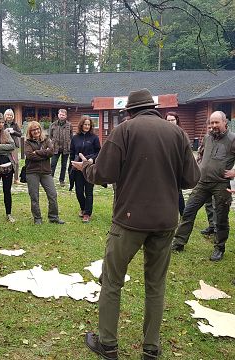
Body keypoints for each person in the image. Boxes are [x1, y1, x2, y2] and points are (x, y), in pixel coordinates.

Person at [72, 89, 199, 360]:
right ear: (154, 108)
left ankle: (107, 344)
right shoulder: (177, 134)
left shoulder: (123, 131)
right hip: (165, 222)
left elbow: (103, 173)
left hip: (128, 221)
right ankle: (151, 348)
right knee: (156, 285)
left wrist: (86, 168)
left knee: (112, 281)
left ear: (128, 111)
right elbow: (191, 179)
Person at [172, 111, 235, 261]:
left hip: (221, 184)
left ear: (225, 122)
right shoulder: (207, 137)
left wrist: (234, 172)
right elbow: (200, 155)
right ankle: (179, 242)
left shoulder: (232, 139)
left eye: (216, 123)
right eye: (211, 123)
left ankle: (219, 248)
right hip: (202, 182)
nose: (213, 126)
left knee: (220, 218)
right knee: (188, 211)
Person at [25, 121, 64, 225]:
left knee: (53, 194)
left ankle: (53, 217)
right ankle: (37, 218)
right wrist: (44, 153)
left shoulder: (46, 139)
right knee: (34, 196)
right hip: (32, 172)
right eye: (33, 130)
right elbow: (29, 156)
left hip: (46, 172)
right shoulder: (27, 142)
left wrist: (37, 152)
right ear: (30, 131)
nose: (36, 131)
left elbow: (51, 152)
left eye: (37, 129)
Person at [70, 115, 100, 223]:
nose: (87, 126)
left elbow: (98, 152)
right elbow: (72, 152)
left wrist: (92, 159)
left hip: (89, 168)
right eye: (85, 124)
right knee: (78, 191)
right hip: (78, 169)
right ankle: (83, 208)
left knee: (89, 191)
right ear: (81, 125)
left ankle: (87, 213)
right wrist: (72, 163)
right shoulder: (75, 138)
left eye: (89, 125)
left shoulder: (94, 138)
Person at [197, 122, 216, 236]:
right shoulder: (206, 138)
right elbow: (201, 154)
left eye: (212, 127)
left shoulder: (225, 140)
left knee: (216, 205)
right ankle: (211, 226)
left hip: (218, 179)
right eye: (208, 127)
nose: (210, 129)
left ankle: (217, 230)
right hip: (204, 178)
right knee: (208, 203)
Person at [165, 111, 185, 216]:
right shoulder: (163, 133)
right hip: (166, 166)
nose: (170, 122)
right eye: (168, 120)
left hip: (177, 166)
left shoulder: (181, 133)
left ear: (177, 120)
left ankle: (182, 213)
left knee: (178, 191)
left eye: (172, 120)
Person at [49, 109, 73, 186]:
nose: (62, 116)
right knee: (53, 164)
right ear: (58, 115)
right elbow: (50, 136)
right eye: (60, 114)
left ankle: (61, 180)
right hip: (55, 148)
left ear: (66, 116)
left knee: (64, 165)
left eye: (63, 115)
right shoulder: (53, 125)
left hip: (66, 148)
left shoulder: (69, 125)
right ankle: (50, 179)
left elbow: (71, 137)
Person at [4, 109, 22, 185]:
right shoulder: (2, 124)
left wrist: (13, 132)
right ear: (5, 116)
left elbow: (20, 134)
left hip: (14, 145)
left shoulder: (15, 124)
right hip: (5, 145)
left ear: (13, 116)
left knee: (16, 162)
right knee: (6, 162)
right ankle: (7, 178)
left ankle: (16, 179)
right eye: (8, 115)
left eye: (11, 115)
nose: (9, 116)